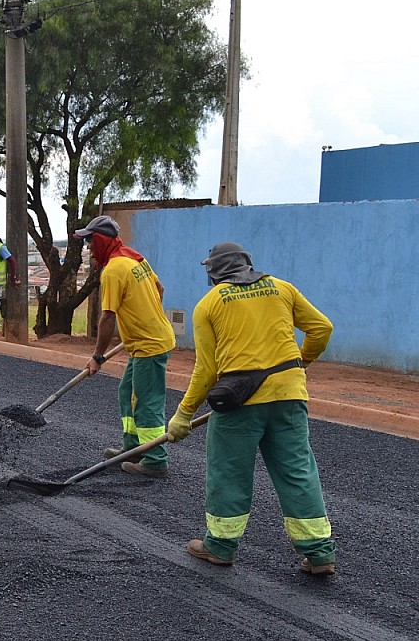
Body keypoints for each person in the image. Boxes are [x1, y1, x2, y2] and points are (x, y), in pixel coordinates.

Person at [167, 242, 336, 575]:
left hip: (238, 403)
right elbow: (322, 328)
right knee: (297, 472)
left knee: (230, 473)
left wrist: (183, 414)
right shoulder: (282, 288)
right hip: (289, 396)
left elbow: (207, 370)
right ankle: (319, 554)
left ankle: (220, 547)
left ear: (213, 271)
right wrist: (301, 363)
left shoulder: (209, 304)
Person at [80, 215, 176, 479]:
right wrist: (142, 318)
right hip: (145, 340)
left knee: (147, 401)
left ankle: (156, 460)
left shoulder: (113, 270)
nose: (88, 248)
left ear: (100, 240)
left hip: (150, 345)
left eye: (90, 241)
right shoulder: (134, 258)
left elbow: (108, 316)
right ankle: (134, 448)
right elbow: (160, 288)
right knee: (127, 393)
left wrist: (97, 356)